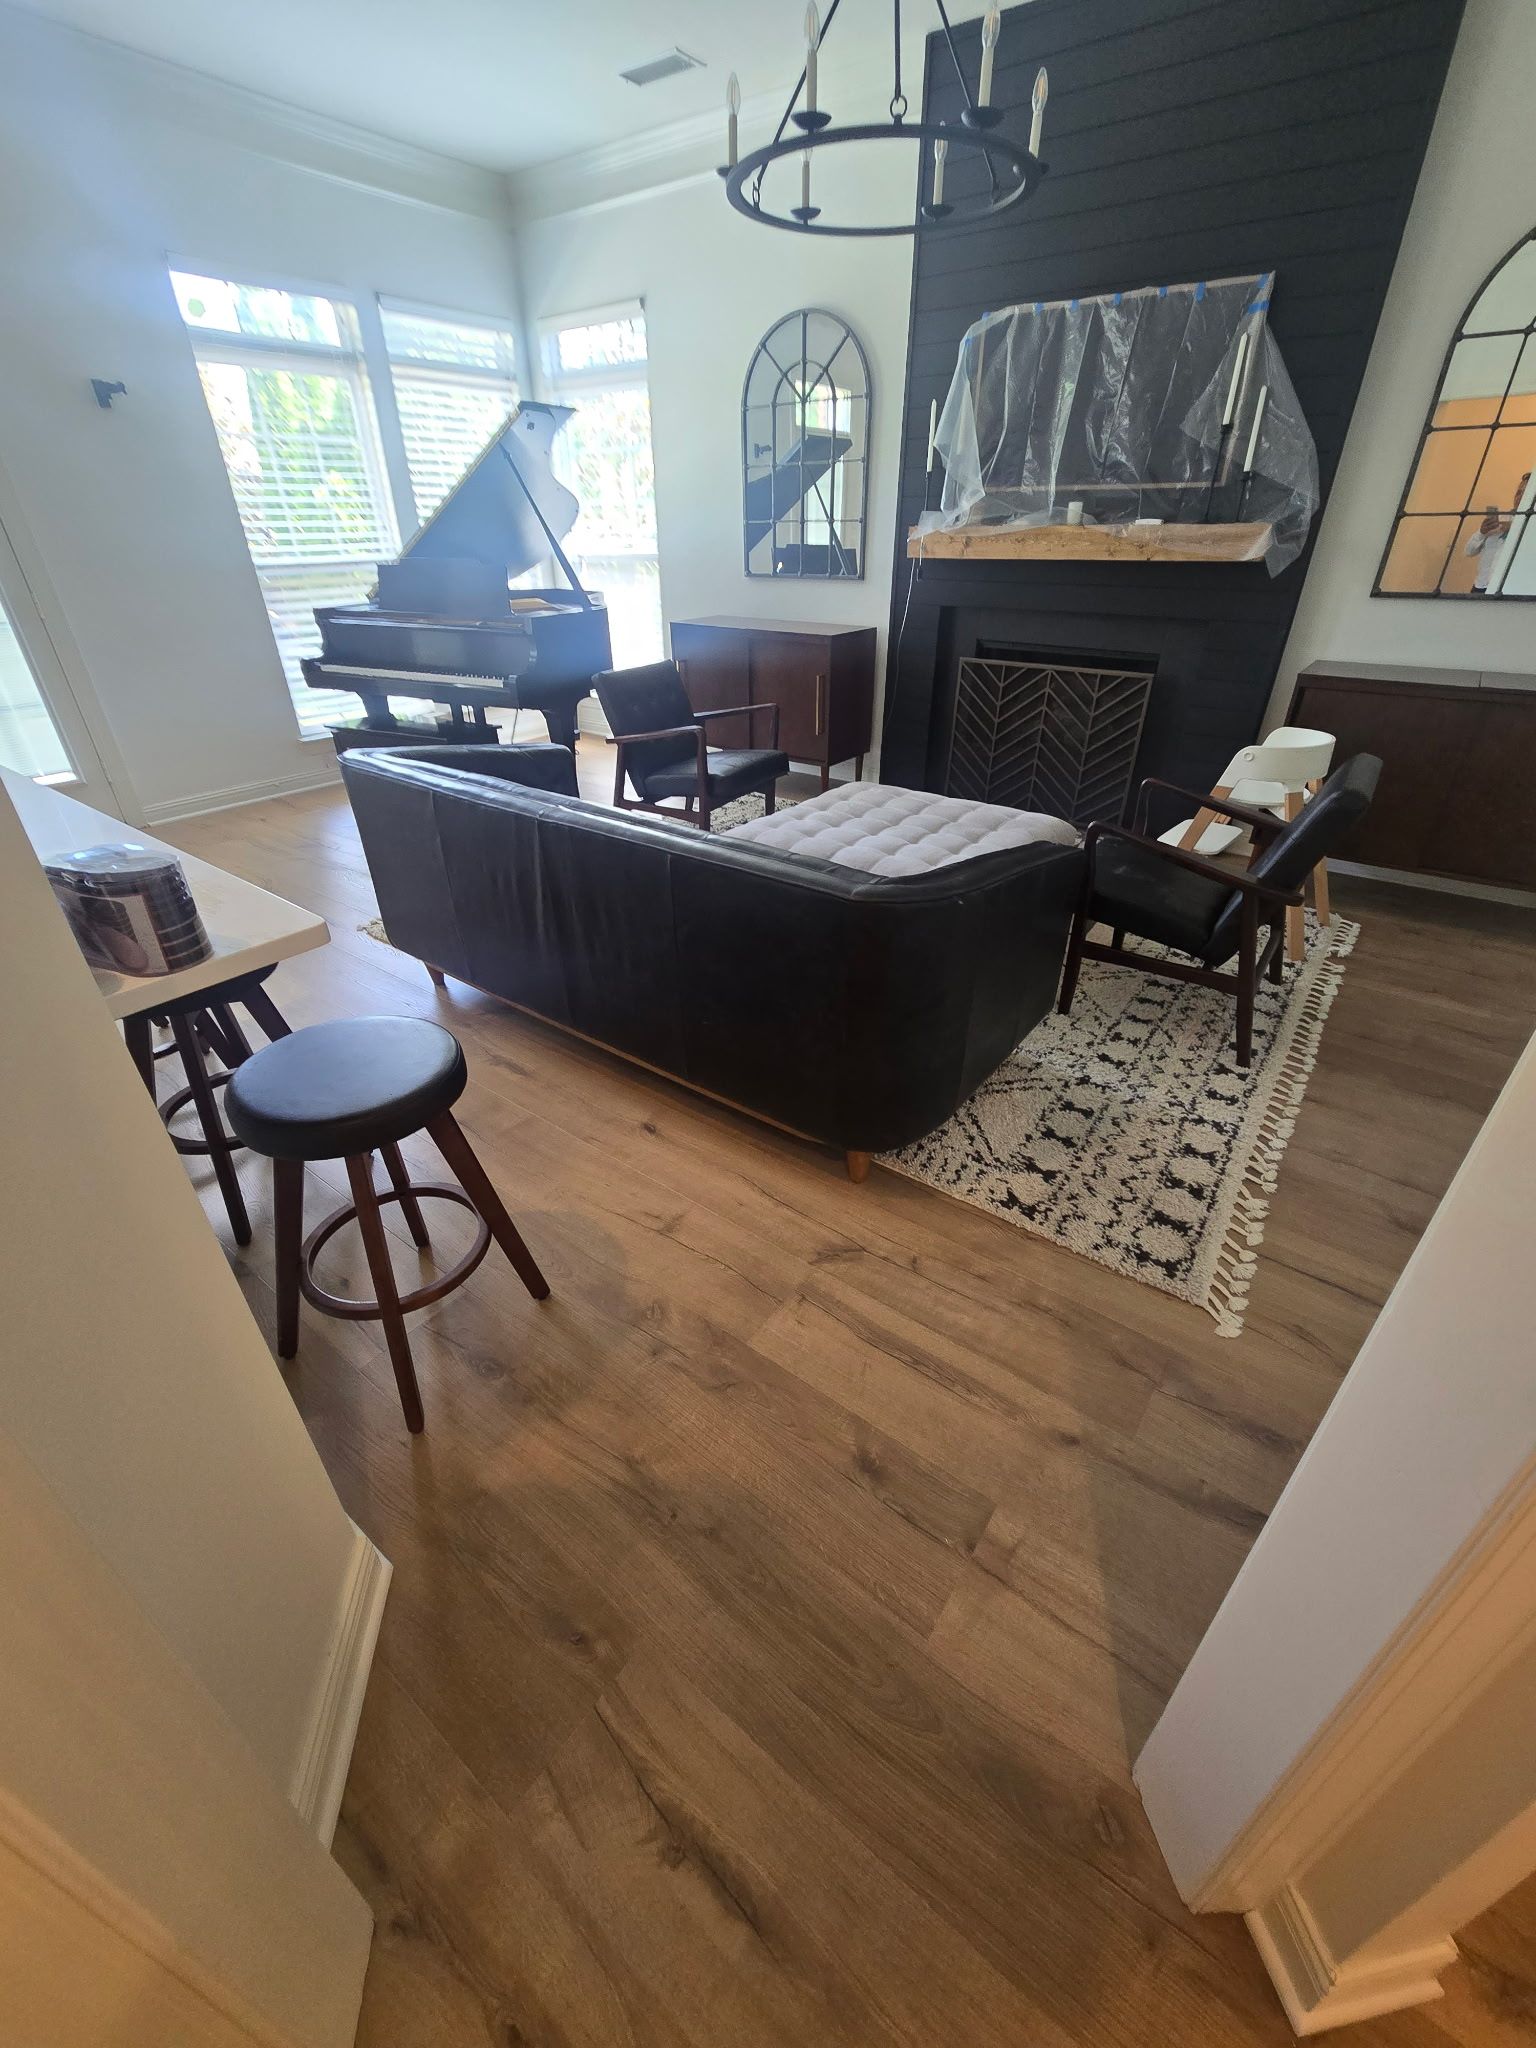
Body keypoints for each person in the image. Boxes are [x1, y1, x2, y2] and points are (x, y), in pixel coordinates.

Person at [1465, 470, 1531, 592]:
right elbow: (1469, 552)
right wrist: (1481, 532)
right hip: (1480, 586)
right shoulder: (1499, 518)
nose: (1519, 497)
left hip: (1510, 589)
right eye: (1518, 492)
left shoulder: (1531, 528)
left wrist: (1514, 527)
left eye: (1526, 493)